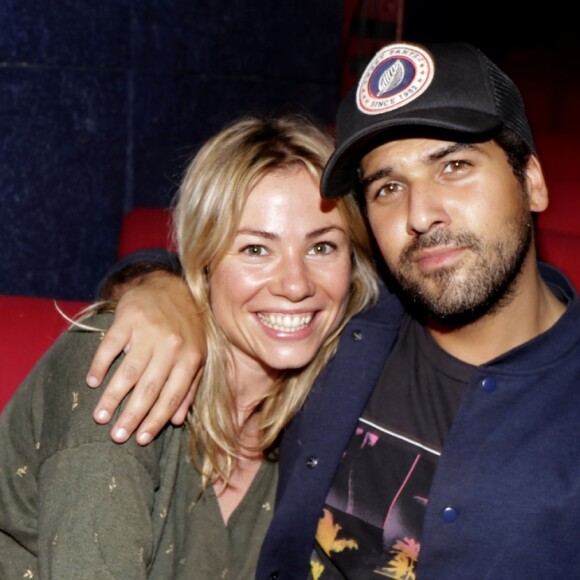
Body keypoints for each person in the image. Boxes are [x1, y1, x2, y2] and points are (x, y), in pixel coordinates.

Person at [84, 41, 580, 579]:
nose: (420, 214)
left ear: (531, 181)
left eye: (454, 166)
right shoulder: (345, 323)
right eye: (388, 186)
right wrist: (159, 287)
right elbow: (233, 278)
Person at [0, 113, 380, 579]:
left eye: (322, 247)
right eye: (256, 249)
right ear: (201, 261)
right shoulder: (126, 364)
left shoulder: (326, 412)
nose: (296, 284)